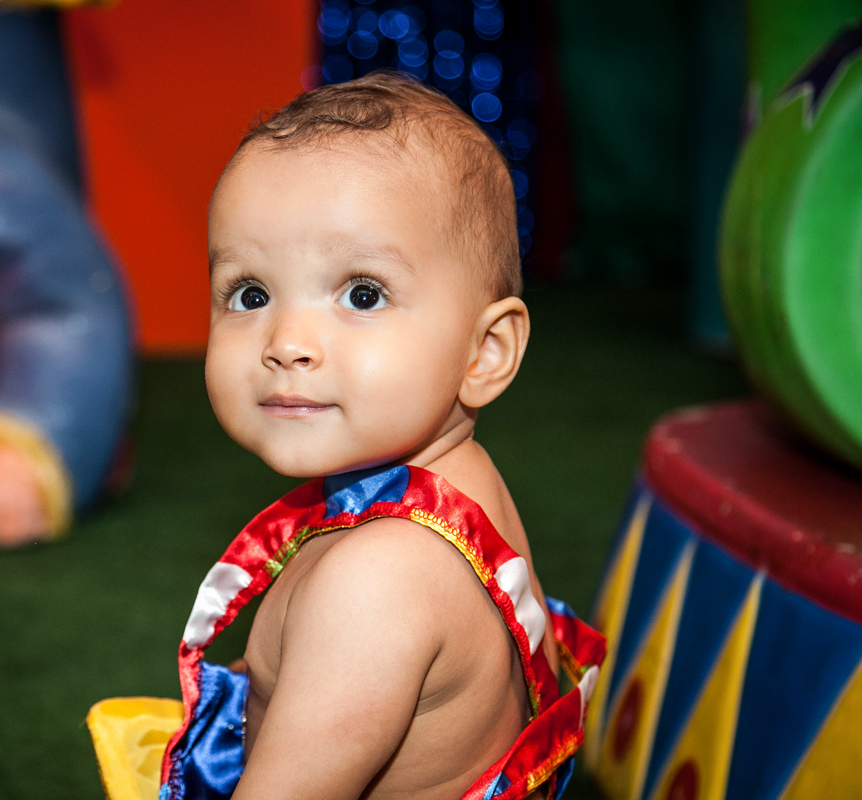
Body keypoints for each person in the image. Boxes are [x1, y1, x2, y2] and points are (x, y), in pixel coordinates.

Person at [88, 71, 603, 800]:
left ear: (484, 353)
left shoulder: (377, 580)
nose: (287, 341)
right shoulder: (463, 487)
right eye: (250, 294)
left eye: (362, 293)